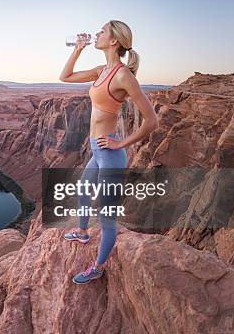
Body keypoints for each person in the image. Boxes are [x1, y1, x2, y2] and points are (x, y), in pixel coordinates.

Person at [59, 20, 158, 284]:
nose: (97, 33)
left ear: (114, 40)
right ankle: (81, 232)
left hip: (110, 154)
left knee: (107, 218)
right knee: (82, 190)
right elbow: (65, 77)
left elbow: (152, 121)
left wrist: (120, 143)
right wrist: (78, 48)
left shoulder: (123, 76)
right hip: (97, 150)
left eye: (102, 31)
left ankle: (99, 267)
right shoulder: (102, 70)